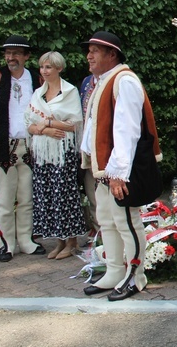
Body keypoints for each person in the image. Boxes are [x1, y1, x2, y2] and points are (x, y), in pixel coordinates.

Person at [79, 31, 162, 301]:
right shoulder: (103, 81)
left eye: (95, 50)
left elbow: (127, 130)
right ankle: (114, 271)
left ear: (112, 54)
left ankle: (136, 276)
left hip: (117, 171)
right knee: (108, 221)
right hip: (104, 170)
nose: (89, 55)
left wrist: (118, 174)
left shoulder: (123, 81)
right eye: (88, 50)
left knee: (127, 221)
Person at [0, 35, 45, 262]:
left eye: (15, 53)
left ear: (26, 56)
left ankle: (26, 241)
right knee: (4, 199)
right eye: (7, 53)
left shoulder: (37, 78)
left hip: (30, 147)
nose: (10, 57)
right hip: (3, 148)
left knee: (27, 198)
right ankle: (7, 244)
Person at [25, 51, 87, 259]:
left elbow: (75, 124)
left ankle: (71, 242)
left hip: (63, 153)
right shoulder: (38, 93)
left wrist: (49, 123)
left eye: (49, 67)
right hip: (43, 154)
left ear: (59, 68)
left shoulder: (69, 92)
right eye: (42, 67)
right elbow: (30, 124)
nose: (44, 71)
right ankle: (59, 241)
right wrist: (46, 129)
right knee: (49, 196)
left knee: (65, 195)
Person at [78, 74, 100, 239]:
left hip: (107, 149)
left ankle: (108, 235)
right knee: (91, 192)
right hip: (87, 148)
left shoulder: (117, 80)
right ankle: (97, 230)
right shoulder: (86, 82)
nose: (90, 57)